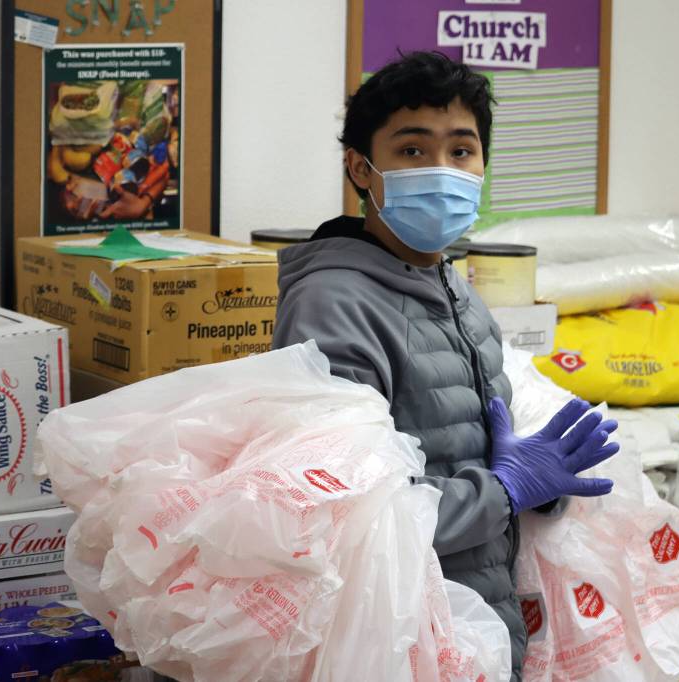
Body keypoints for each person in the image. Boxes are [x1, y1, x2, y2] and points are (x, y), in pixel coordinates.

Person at [271, 51, 620, 679]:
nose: (441, 169)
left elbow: (473, 460)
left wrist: (544, 483)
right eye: (412, 150)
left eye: (461, 151)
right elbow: (348, 522)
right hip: (397, 645)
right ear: (360, 167)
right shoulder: (333, 305)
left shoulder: (458, 293)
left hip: (477, 635)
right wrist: (507, 490)